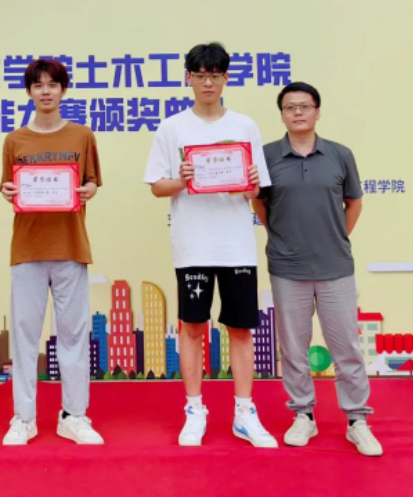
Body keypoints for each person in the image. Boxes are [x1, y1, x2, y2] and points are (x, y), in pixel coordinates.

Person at [144, 42, 277, 448]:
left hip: (236, 246)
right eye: (200, 75)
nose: (207, 83)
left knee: (240, 329)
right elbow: (157, 187)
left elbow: (258, 189)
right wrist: (182, 179)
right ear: (188, 77)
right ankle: (194, 410)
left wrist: (250, 184)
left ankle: (244, 413)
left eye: (215, 75)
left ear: (225, 78)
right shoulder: (172, 128)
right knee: (192, 327)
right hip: (193, 246)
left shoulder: (244, 126)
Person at [253, 81, 383, 456]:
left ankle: (357, 421)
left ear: (317, 112)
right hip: (286, 267)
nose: (298, 112)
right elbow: (260, 204)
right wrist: (282, 238)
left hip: (335, 266)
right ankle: (303, 415)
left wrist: (335, 238)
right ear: (282, 114)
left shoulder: (340, 155)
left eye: (305, 106)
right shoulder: (267, 156)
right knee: (294, 349)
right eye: (290, 107)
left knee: (346, 349)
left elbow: (353, 203)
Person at [0, 59, 104, 446]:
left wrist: (89, 190)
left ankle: (73, 415)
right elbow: (8, 187)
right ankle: (24, 418)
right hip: (27, 248)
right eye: (38, 85)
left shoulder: (82, 136)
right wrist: (8, 192)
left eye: (53, 84)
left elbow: (92, 182)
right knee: (24, 337)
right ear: (28, 91)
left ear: (63, 90)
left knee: (73, 335)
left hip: (70, 246)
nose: (45, 91)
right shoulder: (15, 140)